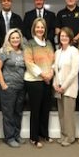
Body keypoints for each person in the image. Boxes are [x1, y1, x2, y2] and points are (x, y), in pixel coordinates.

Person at [24, 17, 55, 148]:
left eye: (42, 27)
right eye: (37, 27)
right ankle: (34, 137)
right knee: (36, 110)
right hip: (34, 81)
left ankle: (44, 134)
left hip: (48, 80)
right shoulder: (29, 43)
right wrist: (43, 75)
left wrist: (51, 73)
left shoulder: (48, 43)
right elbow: (29, 62)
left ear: (45, 29)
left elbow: (54, 60)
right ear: (33, 29)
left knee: (45, 109)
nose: (40, 29)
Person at [0, 28, 26, 148]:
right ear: (8, 39)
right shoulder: (4, 51)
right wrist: (3, 84)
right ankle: (9, 137)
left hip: (21, 87)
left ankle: (17, 135)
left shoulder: (23, 51)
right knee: (8, 113)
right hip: (8, 87)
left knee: (18, 112)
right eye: (12, 37)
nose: (15, 39)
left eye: (17, 37)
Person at [53, 27, 79, 147]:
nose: (63, 38)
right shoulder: (57, 52)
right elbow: (55, 70)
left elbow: (74, 71)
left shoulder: (74, 51)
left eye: (66, 36)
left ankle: (70, 137)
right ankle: (63, 135)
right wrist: (55, 84)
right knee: (62, 114)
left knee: (68, 114)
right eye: (61, 36)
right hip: (58, 87)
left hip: (69, 87)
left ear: (70, 38)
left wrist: (63, 86)